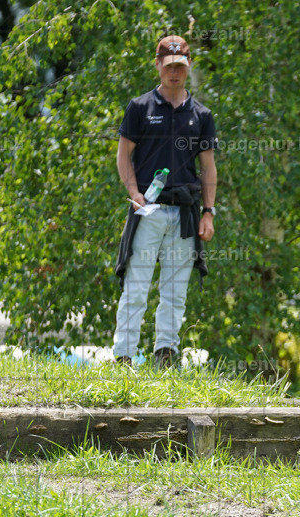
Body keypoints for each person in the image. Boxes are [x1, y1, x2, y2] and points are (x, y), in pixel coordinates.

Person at [112, 35, 217, 368]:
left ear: (188, 67)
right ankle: (123, 358)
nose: (175, 73)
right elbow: (123, 156)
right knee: (136, 288)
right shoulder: (140, 107)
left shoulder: (201, 114)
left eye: (180, 67)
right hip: (149, 210)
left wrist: (208, 213)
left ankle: (165, 358)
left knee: (174, 294)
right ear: (157, 65)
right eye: (169, 66)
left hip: (185, 213)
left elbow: (208, 166)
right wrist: (134, 194)